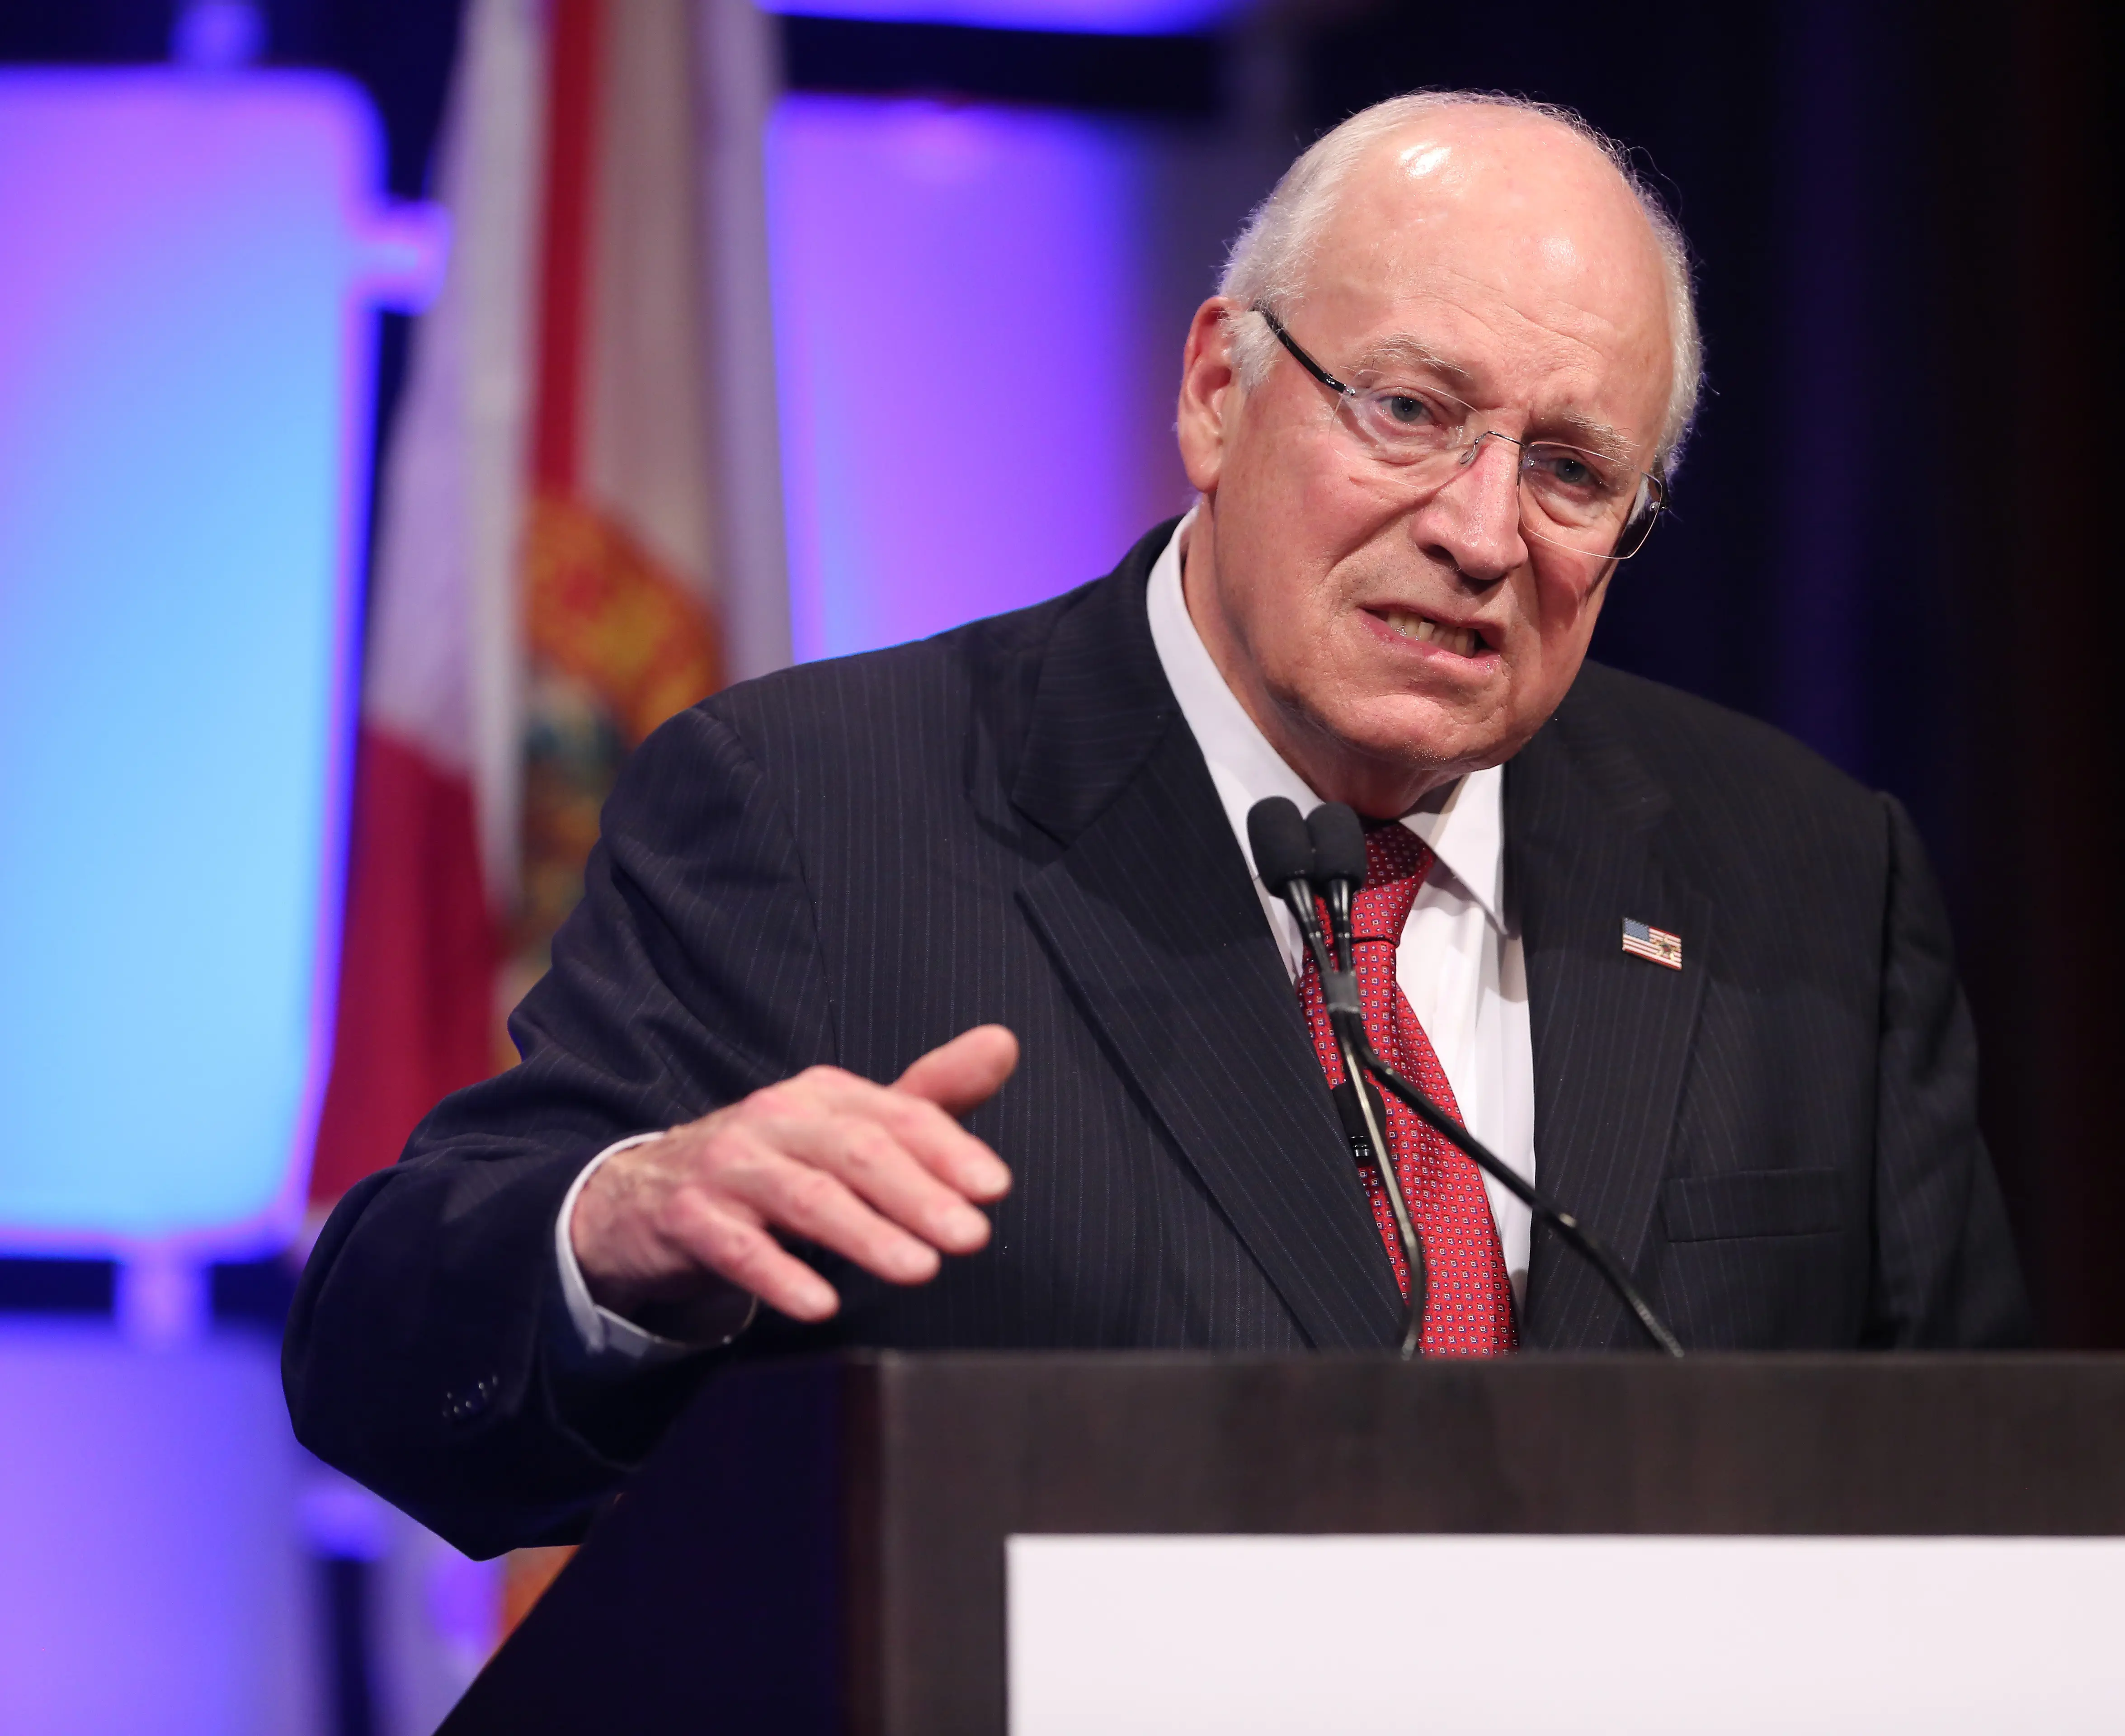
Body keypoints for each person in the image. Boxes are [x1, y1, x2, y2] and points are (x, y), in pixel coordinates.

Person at [286, 91, 2031, 1559]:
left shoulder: (1805, 878)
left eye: (1572, 468)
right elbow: (385, 1369)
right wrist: (622, 1231)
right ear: (1218, 391)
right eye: (1410, 413)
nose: (1484, 531)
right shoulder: (820, 815)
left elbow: (1987, 1512)